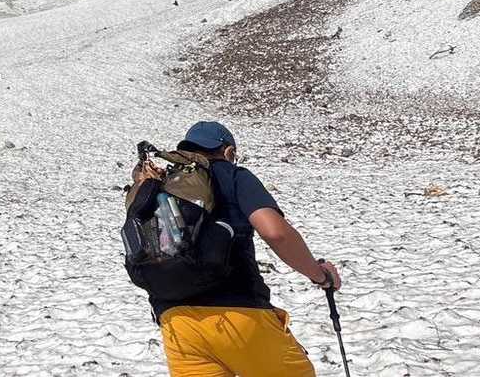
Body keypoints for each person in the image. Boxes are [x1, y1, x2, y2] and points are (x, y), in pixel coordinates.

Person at [134, 121, 341, 377]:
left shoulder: (165, 183)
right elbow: (275, 232)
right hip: (239, 313)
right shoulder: (233, 175)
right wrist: (320, 276)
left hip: (176, 323)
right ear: (229, 152)